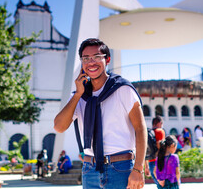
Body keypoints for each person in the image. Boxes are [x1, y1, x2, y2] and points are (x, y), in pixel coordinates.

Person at [54, 38, 147, 189]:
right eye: (86, 58)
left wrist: (138, 168)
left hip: (120, 168)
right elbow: (59, 127)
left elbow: (140, 128)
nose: (91, 62)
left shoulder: (122, 89)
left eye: (97, 57)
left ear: (107, 59)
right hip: (89, 169)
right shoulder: (80, 95)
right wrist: (78, 94)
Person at [145, 116, 165, 184]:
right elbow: (161, 147)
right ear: (159, 123)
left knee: (159, 185)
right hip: (160, 162)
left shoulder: (148, 133)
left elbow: (145, 150)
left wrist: (146, 167)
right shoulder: (160, 131)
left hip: (151, 162)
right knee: (164, 186)